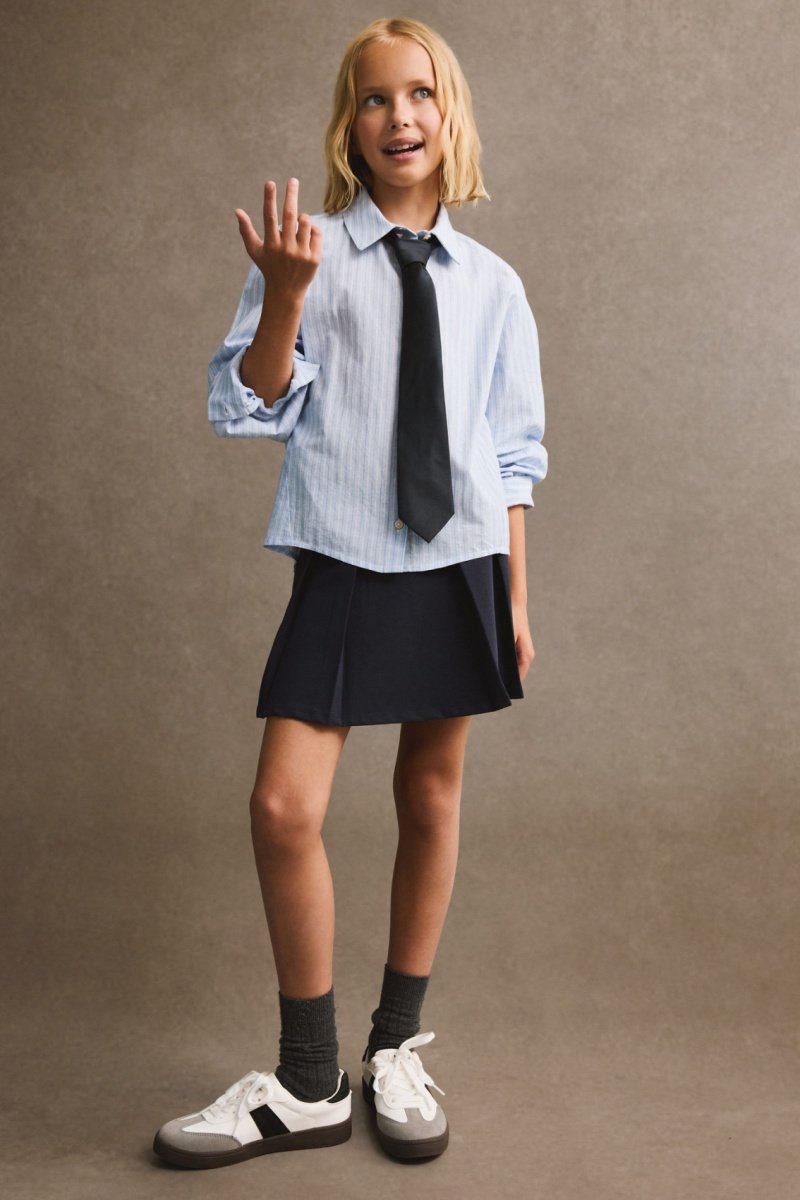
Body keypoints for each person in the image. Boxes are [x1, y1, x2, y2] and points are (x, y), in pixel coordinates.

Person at [153, 14, 548, 1170]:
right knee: (285, 808)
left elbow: (510, 454)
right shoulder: (308, 254)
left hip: (459, 558)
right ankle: (307, 1077)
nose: (398, 116)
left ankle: (393, 1047)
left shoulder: (492, 284)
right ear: (348, 126)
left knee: (429, 794)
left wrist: (515, 599)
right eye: (373, 98)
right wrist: (283, 296)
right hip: (343, 556)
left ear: (447, 114)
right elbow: (248, 404)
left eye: (418, 93)